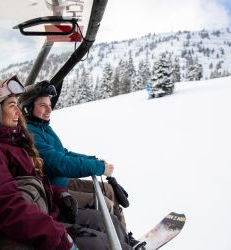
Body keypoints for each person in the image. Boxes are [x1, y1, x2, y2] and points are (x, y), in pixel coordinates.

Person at [0, 76, 141, 250]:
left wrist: (57, 194)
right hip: (29, 234)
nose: (18, 112)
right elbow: (5, 209)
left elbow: (37, 178)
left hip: (45, 215)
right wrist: (58, 237)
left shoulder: (7, 141)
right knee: (102, 242)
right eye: (12, 105)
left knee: (108, 223)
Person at [18, 80, 141, 246]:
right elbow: (59, 163)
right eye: (42, 105)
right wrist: (98, 168)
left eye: (49, 104)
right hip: (57, 189)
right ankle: (116, 243)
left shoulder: (43, 127)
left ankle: (124, 237)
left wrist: (93, 160)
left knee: (110, 190)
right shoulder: (31, 133)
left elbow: (64, 153)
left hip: (63, 181)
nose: (49, 110)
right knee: (105, 203)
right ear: (27, 108)